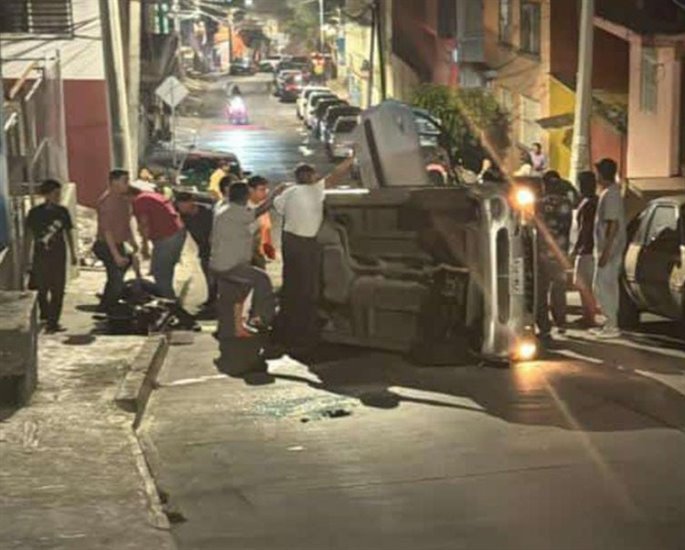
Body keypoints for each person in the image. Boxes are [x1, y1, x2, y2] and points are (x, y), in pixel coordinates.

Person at [273, 157, 355, 351]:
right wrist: (352, 158)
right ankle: (304, 329)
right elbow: (336, 175)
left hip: (289, 241)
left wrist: (279, 191)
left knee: (292, 283)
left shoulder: (289, 192)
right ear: (310, 177)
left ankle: (287, 326)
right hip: (306, 243)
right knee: (309, 286)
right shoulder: (315, 190)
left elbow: (278, 207)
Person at [210, 182, 283, 337]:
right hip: (229, 265)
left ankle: (235, 329)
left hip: (222, 263)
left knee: (234, 296)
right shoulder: (235, 212)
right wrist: (275, 195)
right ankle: (262, 318)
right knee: (261, 279)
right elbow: (259, 211)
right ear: (245, 196)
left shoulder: (224, 208)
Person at [25, 180, 77, 333]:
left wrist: (73, 253)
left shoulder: (62, 212)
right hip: (41, 255)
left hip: (59, 255)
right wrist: (27, 258)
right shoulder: (35, 213)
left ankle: (53, 321)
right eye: (55, 193)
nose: (58, 196)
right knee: (42, 288)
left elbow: (68, 233)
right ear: (47, 194)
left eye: (59, 193)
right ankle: (45, 315)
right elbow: (28, 236)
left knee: (58, 289)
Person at [129, 183, 187, 299]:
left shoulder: (140, 201)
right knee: (164, 270)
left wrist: (144, 245)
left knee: (161, 271)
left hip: (167, 237)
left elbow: (144, 224)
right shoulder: (151, 195)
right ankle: (168, 298)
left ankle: (168, 302)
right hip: (175, 233)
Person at [536, 174, 574, 340]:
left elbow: (536, 226)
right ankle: (561, 323)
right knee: (559, 290)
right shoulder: (566, 203)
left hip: (543, 253)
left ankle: (544, 326)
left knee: (541, 291)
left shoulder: (540, 204)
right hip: (561, 253)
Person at [592, 158, 626, 339]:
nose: (596, 176)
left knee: (604, 287)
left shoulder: (611, 194)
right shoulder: (609, 192)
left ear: (602, 174)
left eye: (597, 172)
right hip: (607, 249)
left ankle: (611, 324)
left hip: (609, 250)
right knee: (602, 286)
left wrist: (606, 252)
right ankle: (608, 323)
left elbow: (613, 225)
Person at [94, 169, 137, 312]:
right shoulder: (107, 202)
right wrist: (116, 255)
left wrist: (132, 241)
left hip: (119, 243)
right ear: (114, 182)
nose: (127, 184)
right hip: (106, 245)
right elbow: (107, 231)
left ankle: (107, 303)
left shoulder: (123, 200)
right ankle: (107, 308)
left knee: (116, 277)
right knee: (116, 279)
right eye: (124, 180)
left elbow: (126, 222)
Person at [175, 191, 216, 306]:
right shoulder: (181, 215)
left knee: (212, 274)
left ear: (191, 203)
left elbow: (215, 230)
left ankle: (212, 301)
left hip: (211, 247)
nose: (181, 209)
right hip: (197, 248)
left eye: (183, 205)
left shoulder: (207, 213)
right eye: (179, 206)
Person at [572, 171, 599, 327]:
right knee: (586, 284)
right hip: (590, 248)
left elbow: (585, 228)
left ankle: (589, 316)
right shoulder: (594, 201)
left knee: (583, 284)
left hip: (586, 249)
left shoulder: (589, 203)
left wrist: (576, 248)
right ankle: (588, 314)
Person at [247, 175, 276, 268]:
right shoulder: (245, 206)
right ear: (251, 190)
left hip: (258, 253)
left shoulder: (260, 204)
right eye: (262, 190)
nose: (265, 193)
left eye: (266, 190)